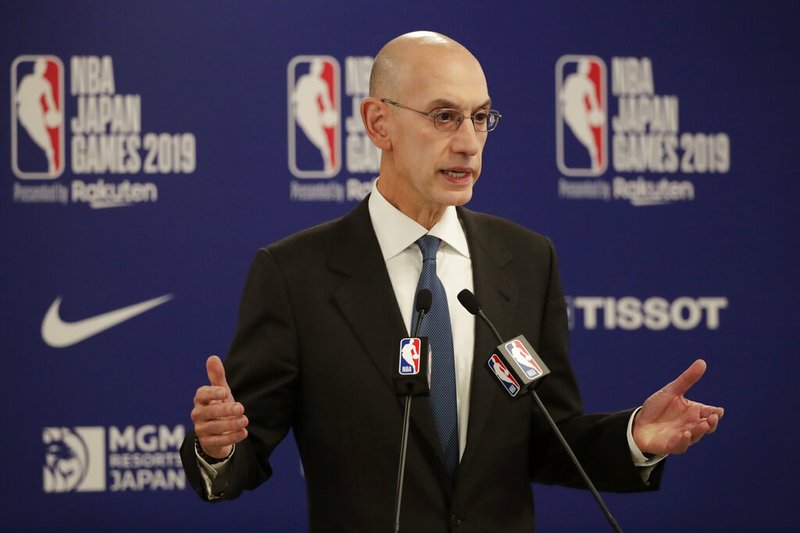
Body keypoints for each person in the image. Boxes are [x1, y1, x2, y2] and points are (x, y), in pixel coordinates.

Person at [181, 31, 723, 532]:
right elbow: (242, 458)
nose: (469, 142)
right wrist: (218, 449)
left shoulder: (527, 259)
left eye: (480, 117)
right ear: (378, 124)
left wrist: (635, 437)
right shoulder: (295, 274)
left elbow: (548, 434)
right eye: (444, 117)